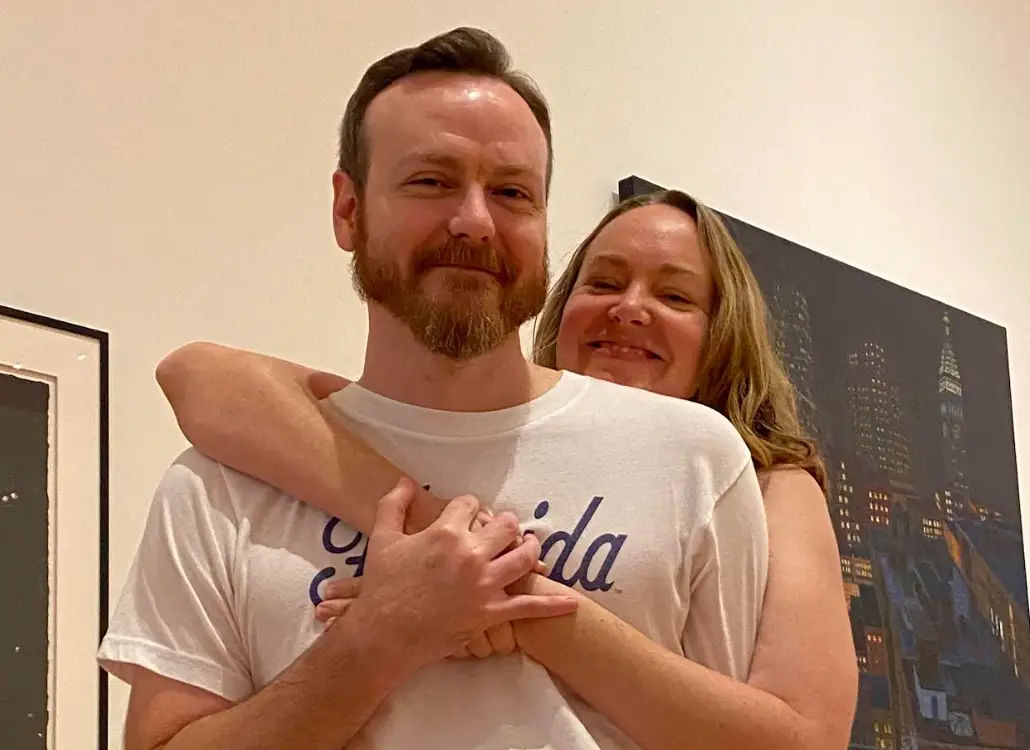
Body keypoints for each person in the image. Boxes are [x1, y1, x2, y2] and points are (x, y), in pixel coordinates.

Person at [98, 26, 773, 750]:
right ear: (348, 211)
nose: (474, 221)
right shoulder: (218, 486)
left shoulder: (692, 460)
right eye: (432, 181)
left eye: (512, 192)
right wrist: (377, 640)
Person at [156, 189, 857, 745]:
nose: (629, 309)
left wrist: (496, 595)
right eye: (604, 282)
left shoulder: (769, 485)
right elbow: (200, 377)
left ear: (723, 330)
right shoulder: (476, 437)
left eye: (674, 296)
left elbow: (801, 735)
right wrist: (444, 563)